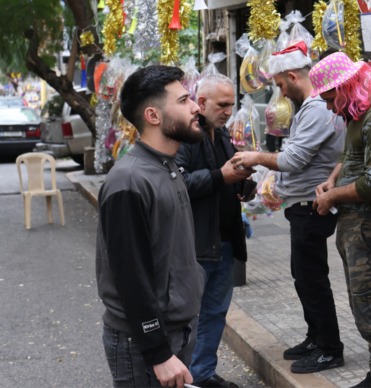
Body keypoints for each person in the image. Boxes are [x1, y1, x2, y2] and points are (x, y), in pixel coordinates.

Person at [230, 42, 347, 374]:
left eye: (281, 85)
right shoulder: (312, 106)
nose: (281, 93)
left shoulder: (316, 108)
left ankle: (330, 348)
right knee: (304, 276)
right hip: (301, 204)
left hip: (311, 205)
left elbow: (294, 159)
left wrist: (257, 158)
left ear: (293, 76)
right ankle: (316, 337)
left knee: (311, 278)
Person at [96, 65, 205, 388]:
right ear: (154, 116)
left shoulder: (167, 167)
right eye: (184, 101)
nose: (196, 107)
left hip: (176, 332)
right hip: (144, 345)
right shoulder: (129, 180)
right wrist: (157, 352)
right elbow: (130, 274)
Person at [311, 53, 371, 388]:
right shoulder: (360, 113)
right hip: (357, 227)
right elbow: (351, 155)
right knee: (365, 309)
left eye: (328, 98)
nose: (327, 106)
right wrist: (333, 179)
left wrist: (330, 197)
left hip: (370, 228)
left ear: (345, 86)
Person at [176, 74, 254, 388]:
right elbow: (177, 184)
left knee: (215, 314)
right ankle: (184, 376)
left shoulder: (220, 135)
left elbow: (228, 174)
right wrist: (221, 177)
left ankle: (202, 374)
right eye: (222, 105)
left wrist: (245, 184)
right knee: (189, 319)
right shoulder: (185, 135)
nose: (227, 111)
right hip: (196, 246)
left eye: (231, 105)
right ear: (203, 102)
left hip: (223, 243)